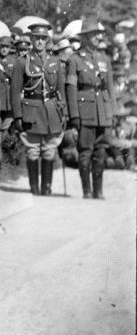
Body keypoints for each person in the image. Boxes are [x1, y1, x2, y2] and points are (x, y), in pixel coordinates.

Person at [10, 23, 66, 195]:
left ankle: (46, 188)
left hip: (51, 111)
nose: (40, 41)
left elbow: (61, 90)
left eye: (43, 38)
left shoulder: (55, 61)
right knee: (33, 150)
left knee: (49, 150)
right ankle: (34, 188)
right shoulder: (22, 62)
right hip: (31, 112)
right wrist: (17, 116)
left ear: (47, 40)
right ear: (31, 39)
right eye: (36, 38)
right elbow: (15, 92)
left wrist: (64, 113)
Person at [65, 17, 117, 199]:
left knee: (100, 151)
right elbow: (71, 89)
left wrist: (113, 112)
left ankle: (98, 191)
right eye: (94, 34)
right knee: (85, 151)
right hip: (85, 111)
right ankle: (87, 191)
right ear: (85, 37)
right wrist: (74, 115)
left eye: (98, 34)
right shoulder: (74, 60)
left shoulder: (104, 59)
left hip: (103, 111)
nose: (97, 37)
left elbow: (110, 87)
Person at [0, 35, 17, 134]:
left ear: (10, 48)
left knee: (6, 126)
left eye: (7, 47)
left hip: (9, 98)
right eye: (2, 46)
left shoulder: (14, 61)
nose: (4, 49)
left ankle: (3, 143)